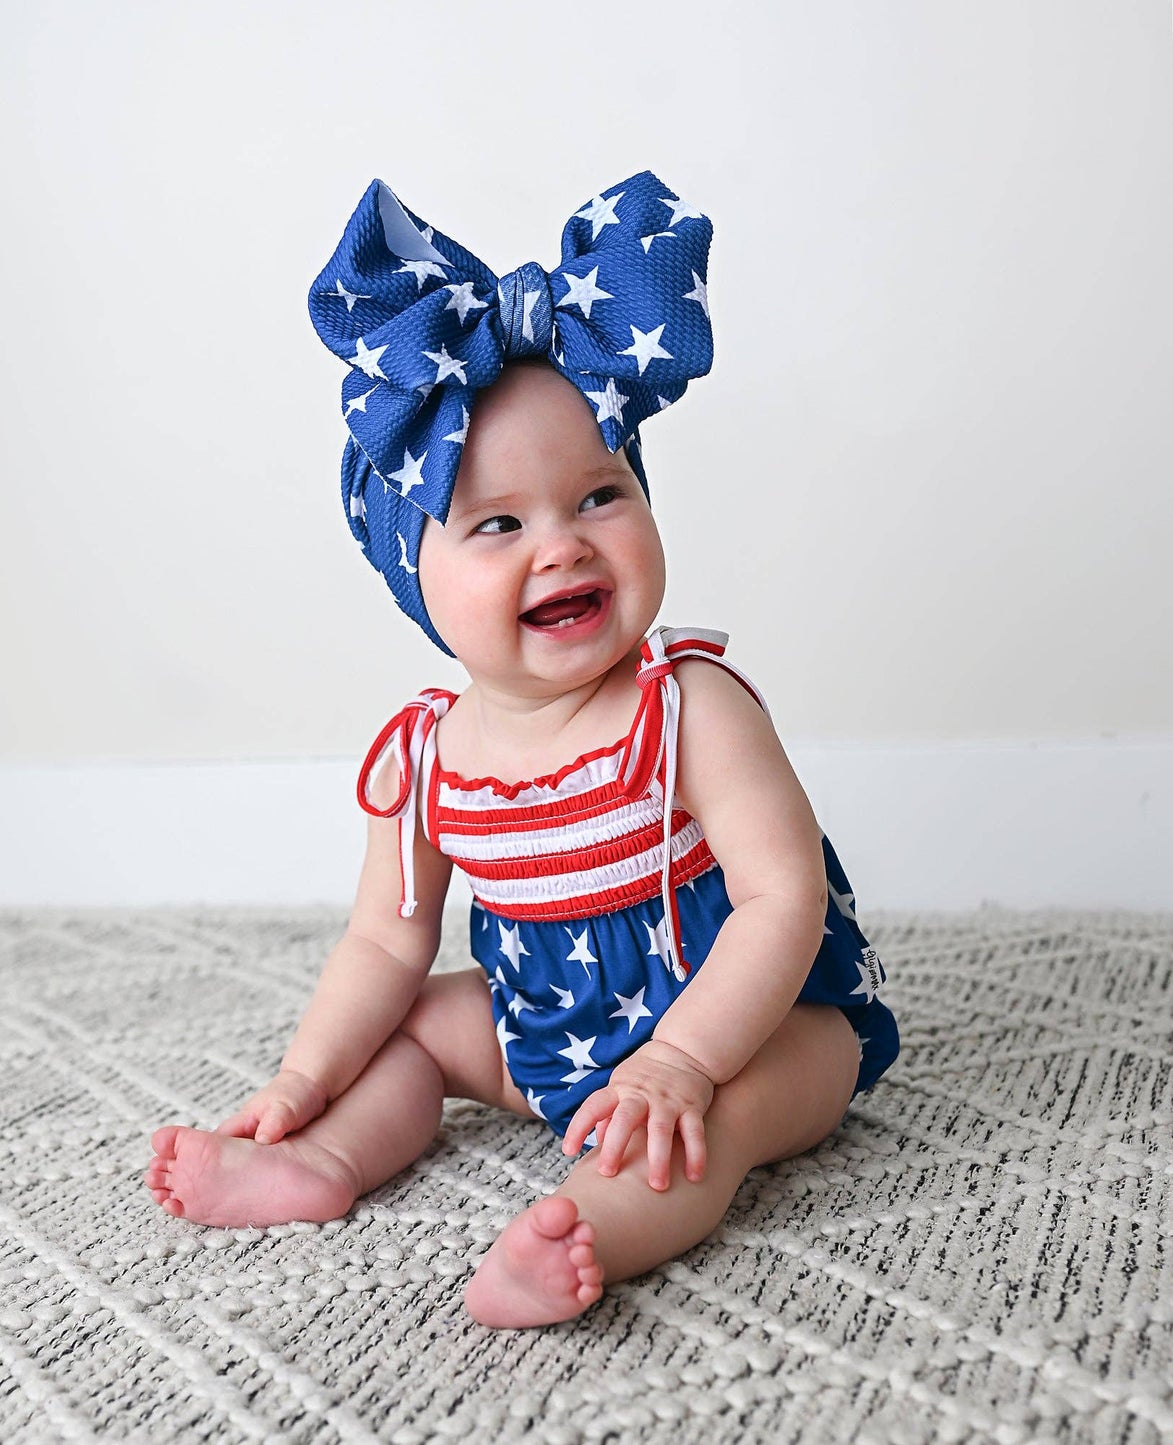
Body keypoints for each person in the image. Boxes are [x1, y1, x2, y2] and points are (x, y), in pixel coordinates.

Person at [145, 172, 899, 1329]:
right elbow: (383, 937)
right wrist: (303, 1078)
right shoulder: (424, 756)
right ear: (417, 582)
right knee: (407, 1027)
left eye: (598, 495)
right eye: (497, 523)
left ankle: (586, 1228)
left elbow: (780, 897)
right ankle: (326, 1161)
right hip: (538, 1028)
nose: (561, 547)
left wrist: (679, 1060)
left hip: (748, 1023)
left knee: (716, 1120)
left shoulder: (686, 704)